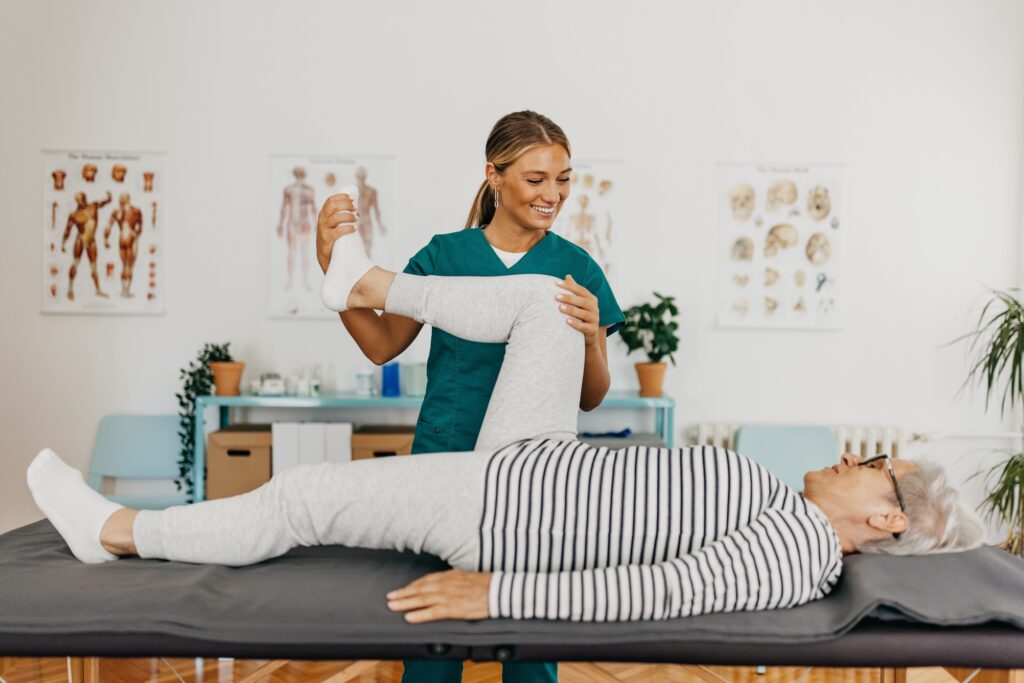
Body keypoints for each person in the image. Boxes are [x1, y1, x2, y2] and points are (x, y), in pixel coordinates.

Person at [28, 259, 985, 630]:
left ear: (886, 515)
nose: (858, 456)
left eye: (874, 464)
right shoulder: (785, 506)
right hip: (535, 461)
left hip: (501, 512)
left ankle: (114, 532)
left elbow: (659, 591)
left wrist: (500, 592)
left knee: (301, 496)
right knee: (549, 302)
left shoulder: (799, 546)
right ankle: (358, 282)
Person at [316, 110, 623, 683]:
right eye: (535, 179)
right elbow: (382, 346)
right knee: (431, 636)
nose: (552, 194)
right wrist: (334, 275)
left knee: (529, 643)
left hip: (534, 475)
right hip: (445, 458)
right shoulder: (444, 255)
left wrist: (590, 341)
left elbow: (592, 398)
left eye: (563, 179)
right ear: (495, 176)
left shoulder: (578, 268)